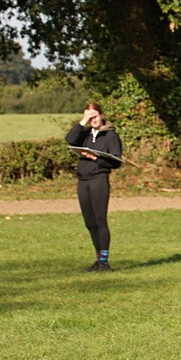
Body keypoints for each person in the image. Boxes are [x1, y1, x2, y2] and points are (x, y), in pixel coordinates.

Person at [66, 103, 123, 272]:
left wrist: (95, 158)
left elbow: (115, 162)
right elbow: (70, 139)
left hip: (99, 179)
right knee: (89, 222)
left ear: (102, 115)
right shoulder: (84, 133)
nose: (93, 120)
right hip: (83, 181)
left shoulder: (111, 136)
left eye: (95, 116)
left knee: (100, 220)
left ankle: (104, 262)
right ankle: (98, 260)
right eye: (90, 117)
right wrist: (83, 120)